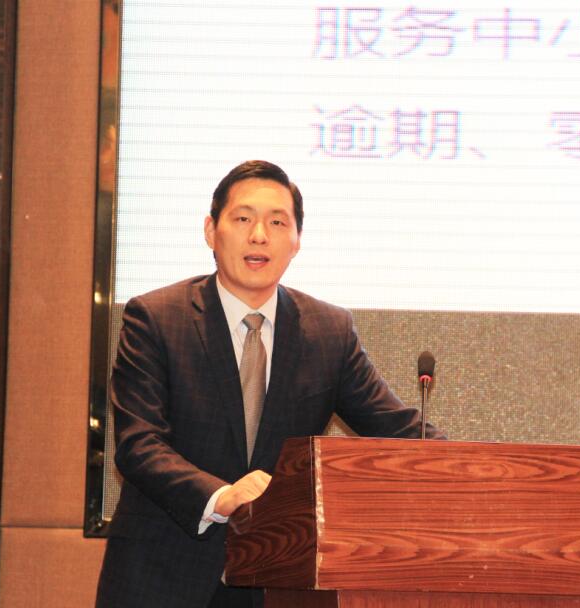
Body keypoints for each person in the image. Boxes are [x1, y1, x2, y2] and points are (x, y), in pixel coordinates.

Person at [95, 160, 443, 608]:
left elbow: (399, 431)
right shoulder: (156, 318)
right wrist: (222, 496)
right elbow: (139, 445)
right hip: (162, 574)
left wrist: (486, 474)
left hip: (277, 579)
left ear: (297, 240)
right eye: (243, 218)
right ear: (210, 231)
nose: (259, 235)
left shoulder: (329, 331)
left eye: (278, 222)